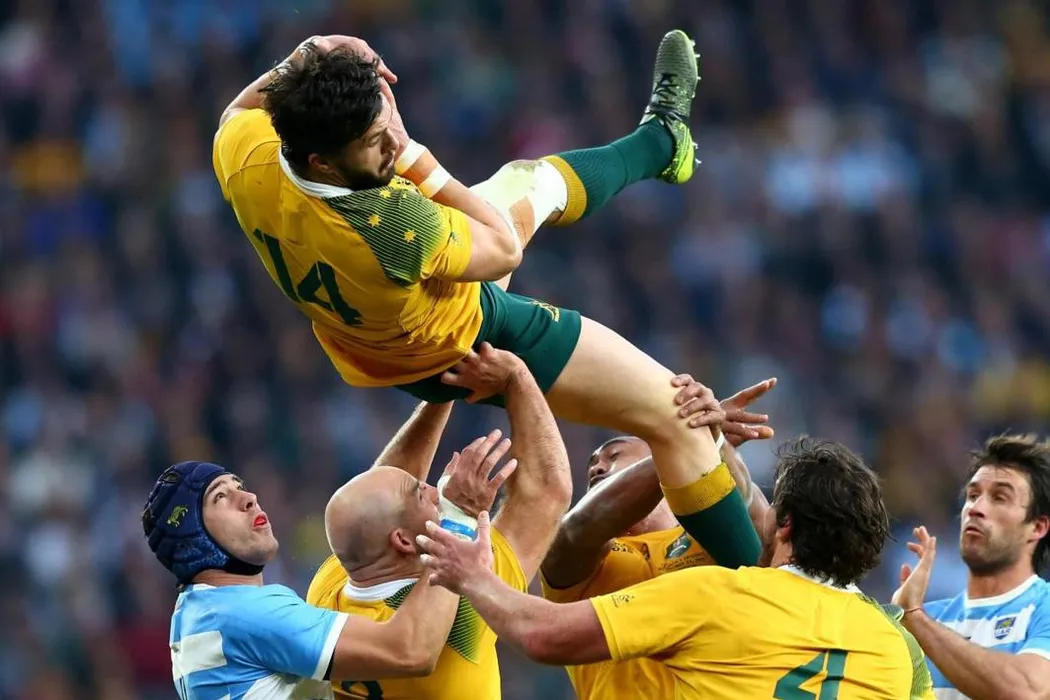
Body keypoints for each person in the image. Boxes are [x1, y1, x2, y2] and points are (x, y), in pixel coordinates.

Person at [212, 31, 759, 568]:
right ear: (324, 162)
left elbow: (239, 109)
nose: (391, 143)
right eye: (375, 141)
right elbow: (501, 247)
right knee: (680, 417)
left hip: (372, 348)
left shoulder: (244, 152)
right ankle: (770, 591)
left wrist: (311, 56)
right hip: (463, 339)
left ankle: (663, 140)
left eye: (386, 126)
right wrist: (416, 156)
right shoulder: (392, 226)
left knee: (531, 182)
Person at [306, 347, 730, 700]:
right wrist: (688, 441)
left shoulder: (333, 589)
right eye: (424, 494)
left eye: (614, 454)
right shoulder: (460, 610)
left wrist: (444, 390)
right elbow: (547, 493)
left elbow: (380, 494)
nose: (436, 490)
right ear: (402, 542)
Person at [417, 438, 936, 699]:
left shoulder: (720, 591)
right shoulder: (891, 646)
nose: (598, 467)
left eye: (615, 454)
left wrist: (473, 575)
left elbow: (543, 635)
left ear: (784, 524)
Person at [141, 455, 496, 699]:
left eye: (239, 486)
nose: (248, 498)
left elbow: (375, 503)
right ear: (194, 538)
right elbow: (411, 651)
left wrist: (434, 393)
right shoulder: (246, 614)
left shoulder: (197, 613)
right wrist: (458, 517)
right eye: (221, 497)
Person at [539, 377, 774, 700]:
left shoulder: (710, 539)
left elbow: (759, 524)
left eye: (614, 455)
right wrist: (680, 442)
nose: (597, 468)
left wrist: (711, 441)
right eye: (593, 464)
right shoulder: (589, 557)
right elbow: (578, 529)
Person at [892, 433, 1050, 700]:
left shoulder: (1043, 608)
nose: (976, 508)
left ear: (1037, 527)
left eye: (999, 497)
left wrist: (915, 618)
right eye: (973, 495)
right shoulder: (924, 619)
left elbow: (1027, 691)